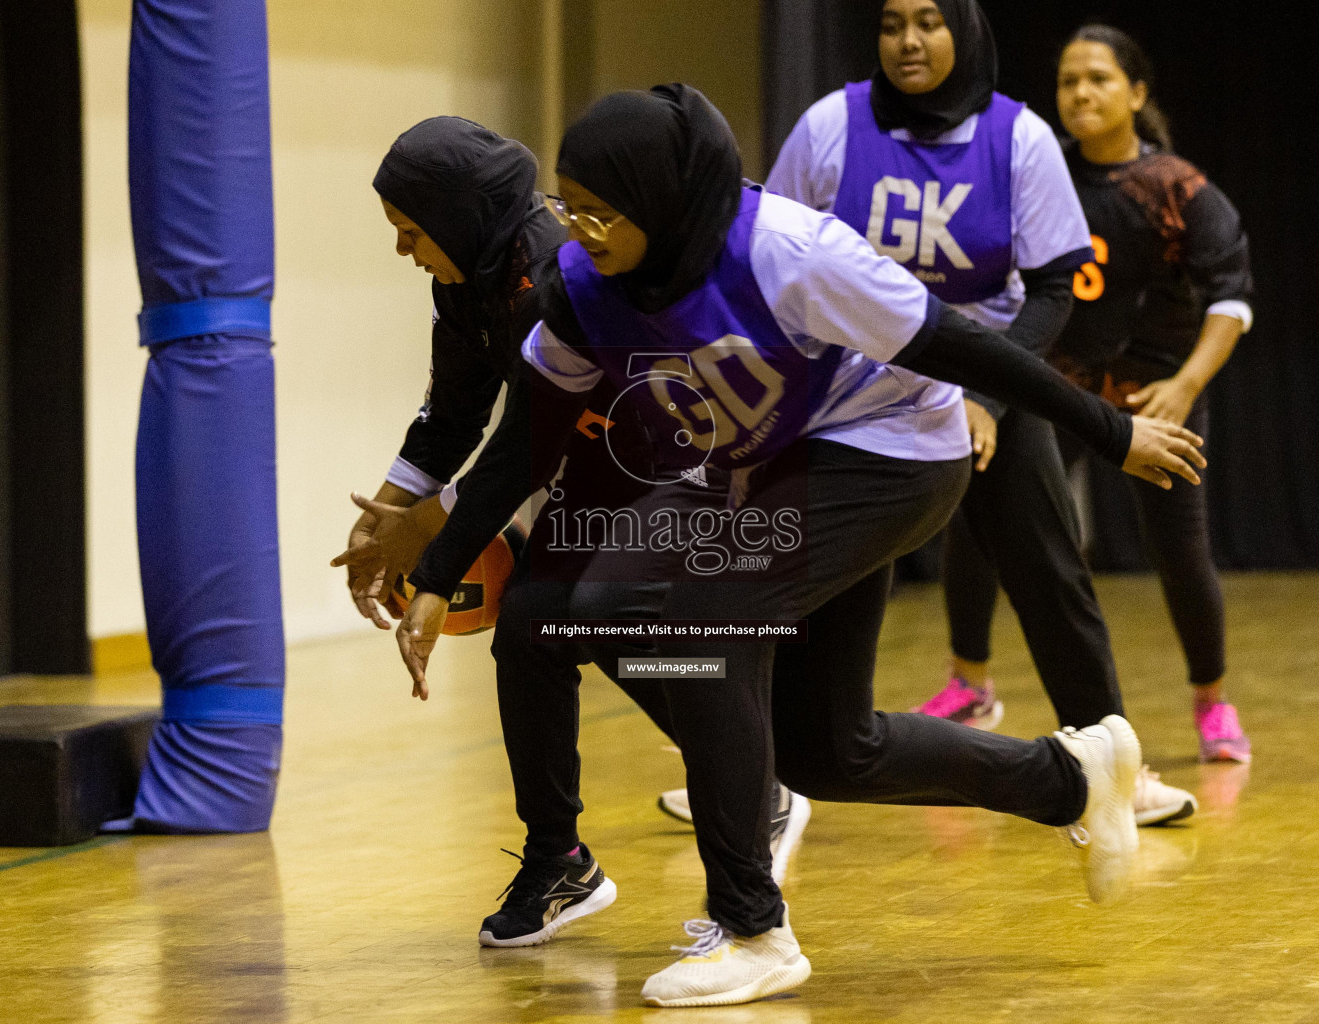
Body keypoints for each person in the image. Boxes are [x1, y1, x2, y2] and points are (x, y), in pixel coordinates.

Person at [364, 85, 1205, 1007]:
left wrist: (1109, 433)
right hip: (778, 464)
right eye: (572, 207)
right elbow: (527, 435)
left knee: (703, 617)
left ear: (665, 204)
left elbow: (962, 347)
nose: (580, 230)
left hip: (896, 453)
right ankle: (1072, 776)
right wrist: (439, 576)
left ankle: (752, 927)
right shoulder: (581, 287)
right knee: (827, 750)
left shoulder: (791, 252)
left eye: (600, 213)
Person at [335, 116, 809, 952]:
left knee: (601, 616)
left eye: (411, 231)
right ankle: (563, 860)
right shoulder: (466, 278)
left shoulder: (560, 265)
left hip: (696, 465)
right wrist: (384, 526)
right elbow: (453, 417)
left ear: (455, 214)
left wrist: (438, 567)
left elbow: (527, 442)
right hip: (606, 465)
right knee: (534, 628)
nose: (405, 250)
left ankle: (750, 782)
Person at [760, 0, 1196, 822]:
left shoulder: (1016, 137)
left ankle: (1111, 766)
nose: (909, 42)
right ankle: (755, 768)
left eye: (928, 21)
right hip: (850, 401)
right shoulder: (829, 128)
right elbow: (772, 255)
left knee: (1049, 573)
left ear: (964, 31)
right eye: (891, 25)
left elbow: (1057, 285)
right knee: (788, 575)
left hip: (996, 378)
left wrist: (989, 398)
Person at [1045, 24, 1254, 761]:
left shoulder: (1175, 187)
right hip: (1064, 389)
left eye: (1098, 78)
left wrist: (1185, 384)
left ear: (1136, 93)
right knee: (1000, 526)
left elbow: (1232, 300)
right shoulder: (1045, 175)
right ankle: (970, 681)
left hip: (1153, 392)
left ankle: (1212, 702)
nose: (1080, 93)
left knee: (1180, 552)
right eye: (1069, 80)